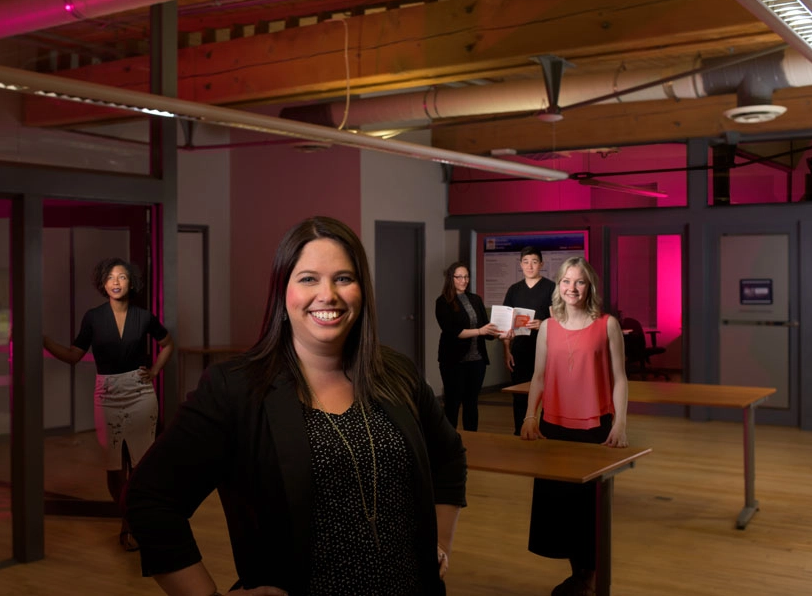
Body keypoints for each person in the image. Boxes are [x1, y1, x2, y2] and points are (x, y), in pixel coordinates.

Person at [125, 216, 467, 596]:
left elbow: (449, 456)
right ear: (282, 292)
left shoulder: (397, 373)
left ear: (362, 290)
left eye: (343, 278)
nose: (328, 295)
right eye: (308, 279)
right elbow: (151, 499)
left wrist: (438, 543)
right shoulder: (235, 389)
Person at [43, 257, 174, 551]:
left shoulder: (144, 316)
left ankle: (132, 525)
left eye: (122, 277)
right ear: (103, 283)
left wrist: (154, 371)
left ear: (132, 283)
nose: (116, 282)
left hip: (140, 393)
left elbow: (168, 344)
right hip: (107, 394)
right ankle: (130, 518)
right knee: (114, 467)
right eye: (110, 277)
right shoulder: (93, 317)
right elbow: (73, 355)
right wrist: (42, 340)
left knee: (141, 465)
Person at [520, 256, 628, 596]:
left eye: (579, 282)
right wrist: (529, 416)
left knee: (588, 510)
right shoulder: (548, 326)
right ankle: (578, 576)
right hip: (554, 425)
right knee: (561, 508)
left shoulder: (607, 324)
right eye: (566, 281)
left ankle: (590, 577)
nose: (572, 288)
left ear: (589, 286)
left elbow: (620, 379)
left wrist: (621, 423)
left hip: (595, 427)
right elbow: (537, 377)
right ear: (559, 286)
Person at [434, 262, 502, 432]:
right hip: (453, 361)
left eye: (466, 277)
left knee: (471, 403)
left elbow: (486, 328)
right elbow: (453, 332)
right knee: (452, 403)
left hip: (476, 361)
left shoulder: (475, 299)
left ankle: (473, 439)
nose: (464, 280)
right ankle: (450, 442)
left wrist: (499, 333)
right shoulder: (443, 302)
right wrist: (480, 331)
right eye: (459, 277)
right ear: (451, 278)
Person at [500, 246, 556, 435]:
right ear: (521, 265)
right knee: (519, 395)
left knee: (547, 393)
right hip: (519, 350)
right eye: (526, 262)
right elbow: (506, 323)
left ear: (541, 264)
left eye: (534, 262)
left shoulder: (551, 287)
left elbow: (559, 320)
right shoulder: (514, 290)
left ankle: (544, 430)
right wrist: (506, 350)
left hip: (545, 350)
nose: (530, 266)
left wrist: (544, 324)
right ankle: (520, 431)